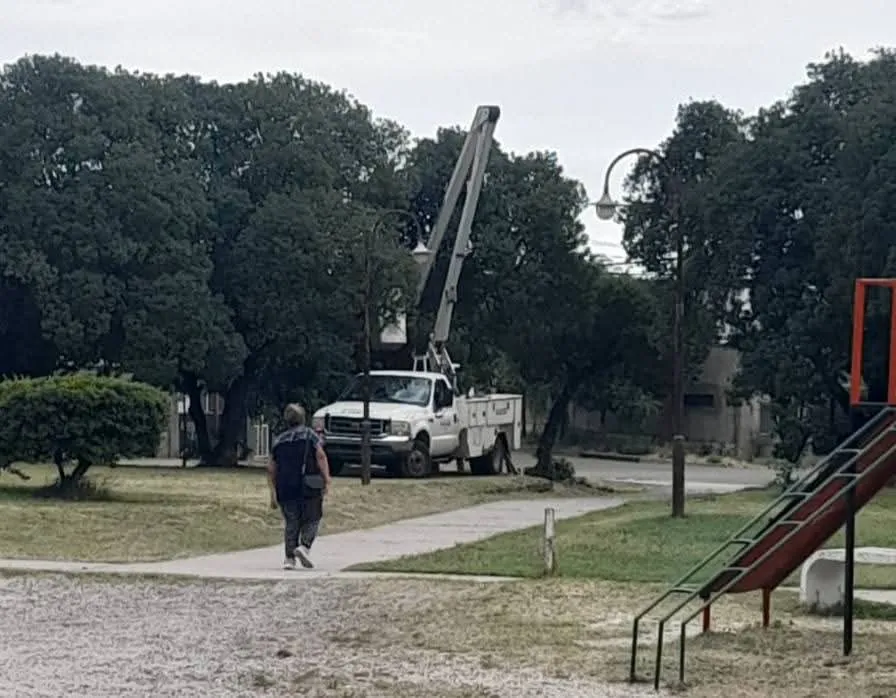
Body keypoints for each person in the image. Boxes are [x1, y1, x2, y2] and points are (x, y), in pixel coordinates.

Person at [267, 403, 332, 570]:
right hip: (309, 484)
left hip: (285, 486)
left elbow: (272, 469)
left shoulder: (278, 441)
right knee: (313, 517)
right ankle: (304, 546)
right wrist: (326, 479)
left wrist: (272, 493)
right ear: (303, 418)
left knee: (291, 522)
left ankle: (289, 558)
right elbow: (320, 457)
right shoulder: (310, 436)